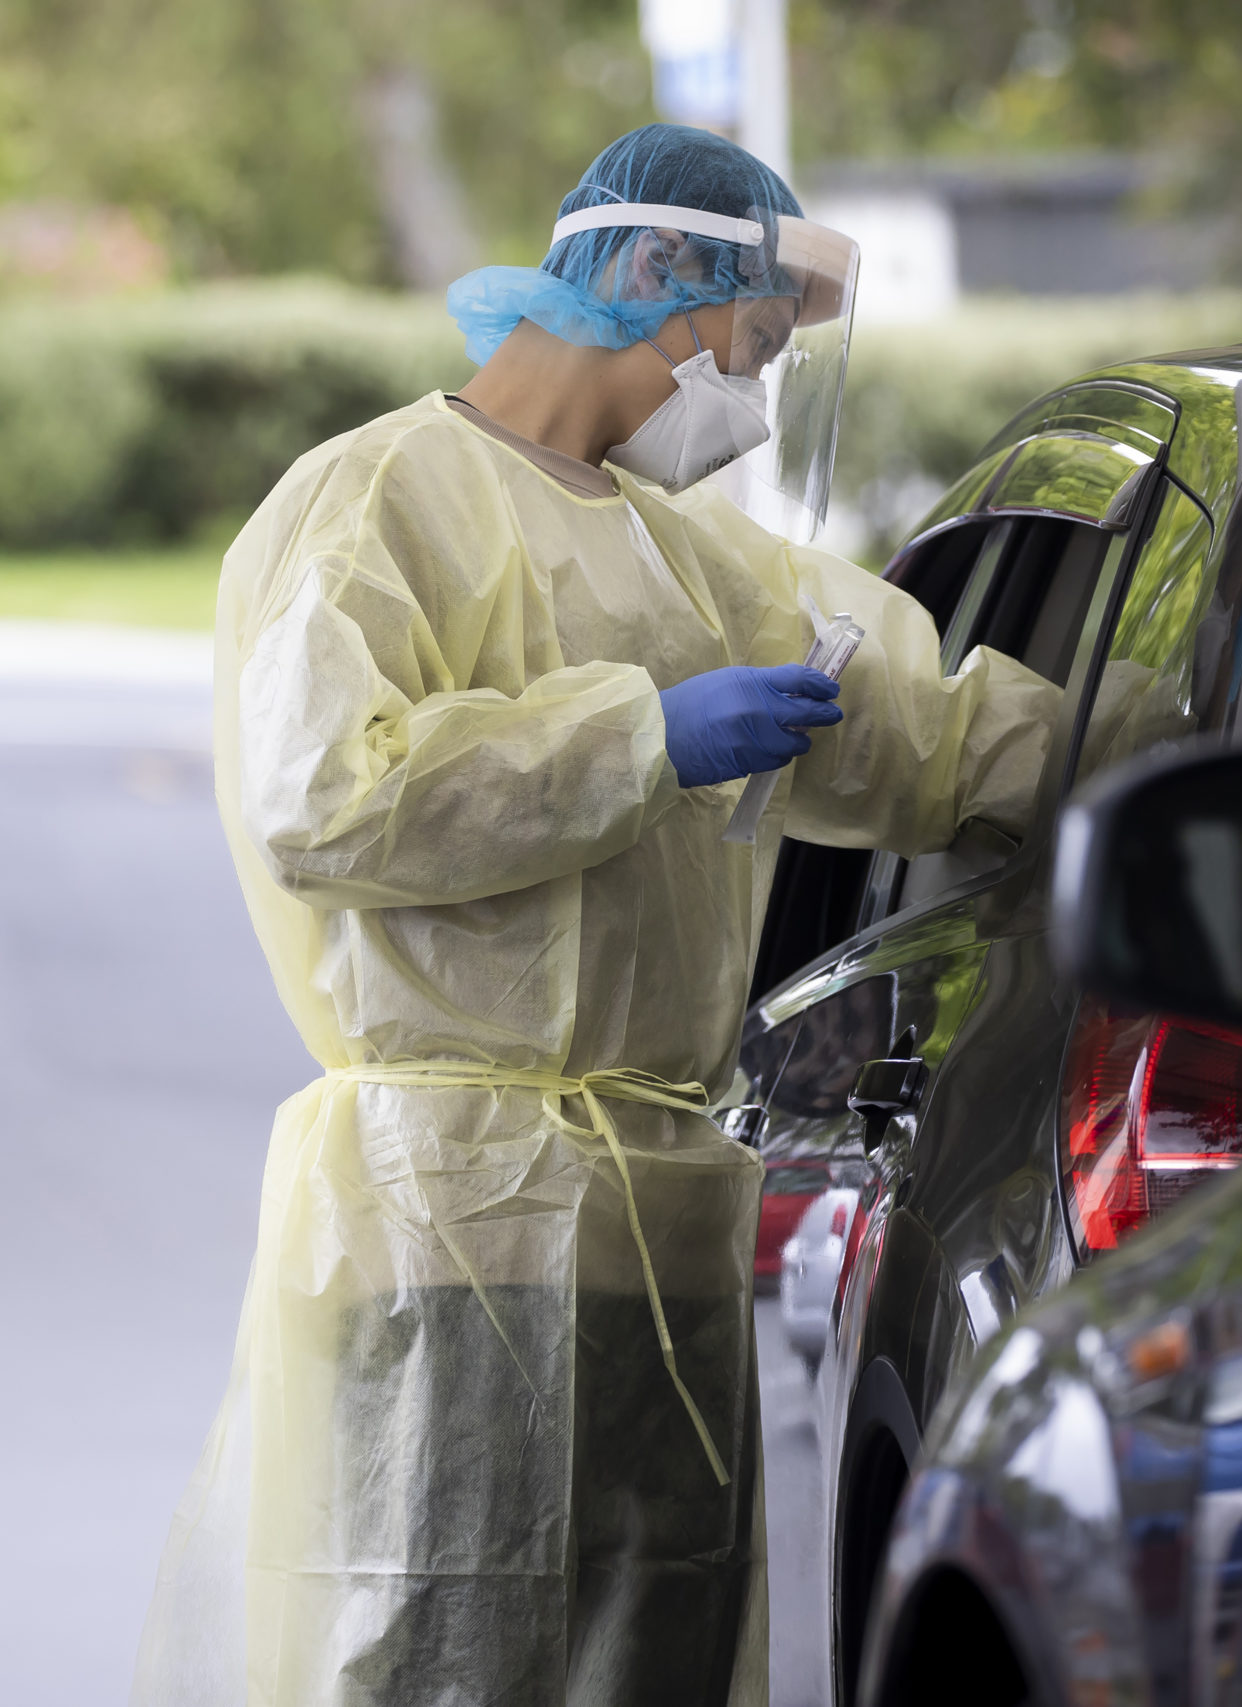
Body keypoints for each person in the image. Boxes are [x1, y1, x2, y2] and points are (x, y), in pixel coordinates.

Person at [133, 125, 1059, 1706]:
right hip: (452, 1210)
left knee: (655, 1653)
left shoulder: (690, 552)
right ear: (648, 274)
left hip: (660, 1216)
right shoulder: (375, 499)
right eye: (751, 344)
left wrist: (1169, 750)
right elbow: (324, 797)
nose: (754, 397)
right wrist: (639, 736)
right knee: (438, 1650)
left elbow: (930, 733)